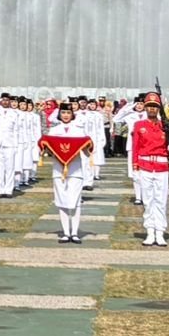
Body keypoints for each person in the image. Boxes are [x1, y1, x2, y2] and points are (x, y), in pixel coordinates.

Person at [43, 101, 92, 243]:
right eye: (63, 112)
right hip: (59, 169)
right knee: (61, 200)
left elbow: (87, 151)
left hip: (75, 169)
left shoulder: (79, 130)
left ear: (72, 114)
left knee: (75, 201)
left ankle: (75, 232)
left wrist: (88, 146)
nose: (66, 115)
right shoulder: (54, 131)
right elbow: (48, 150)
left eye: (68, 113)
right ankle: (66, 232)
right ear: (59, 114)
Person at [131, 91, 169, 247]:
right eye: (149, 106)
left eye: (155, 106)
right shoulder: (139, 125)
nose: (152, 109)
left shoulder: (164, 126)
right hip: (145, 166)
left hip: (161, 167)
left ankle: (160, 232)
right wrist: (135, 167)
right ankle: (150, 232)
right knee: (148, 201)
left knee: (161, 201)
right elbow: (136, 147)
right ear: (145, 107)